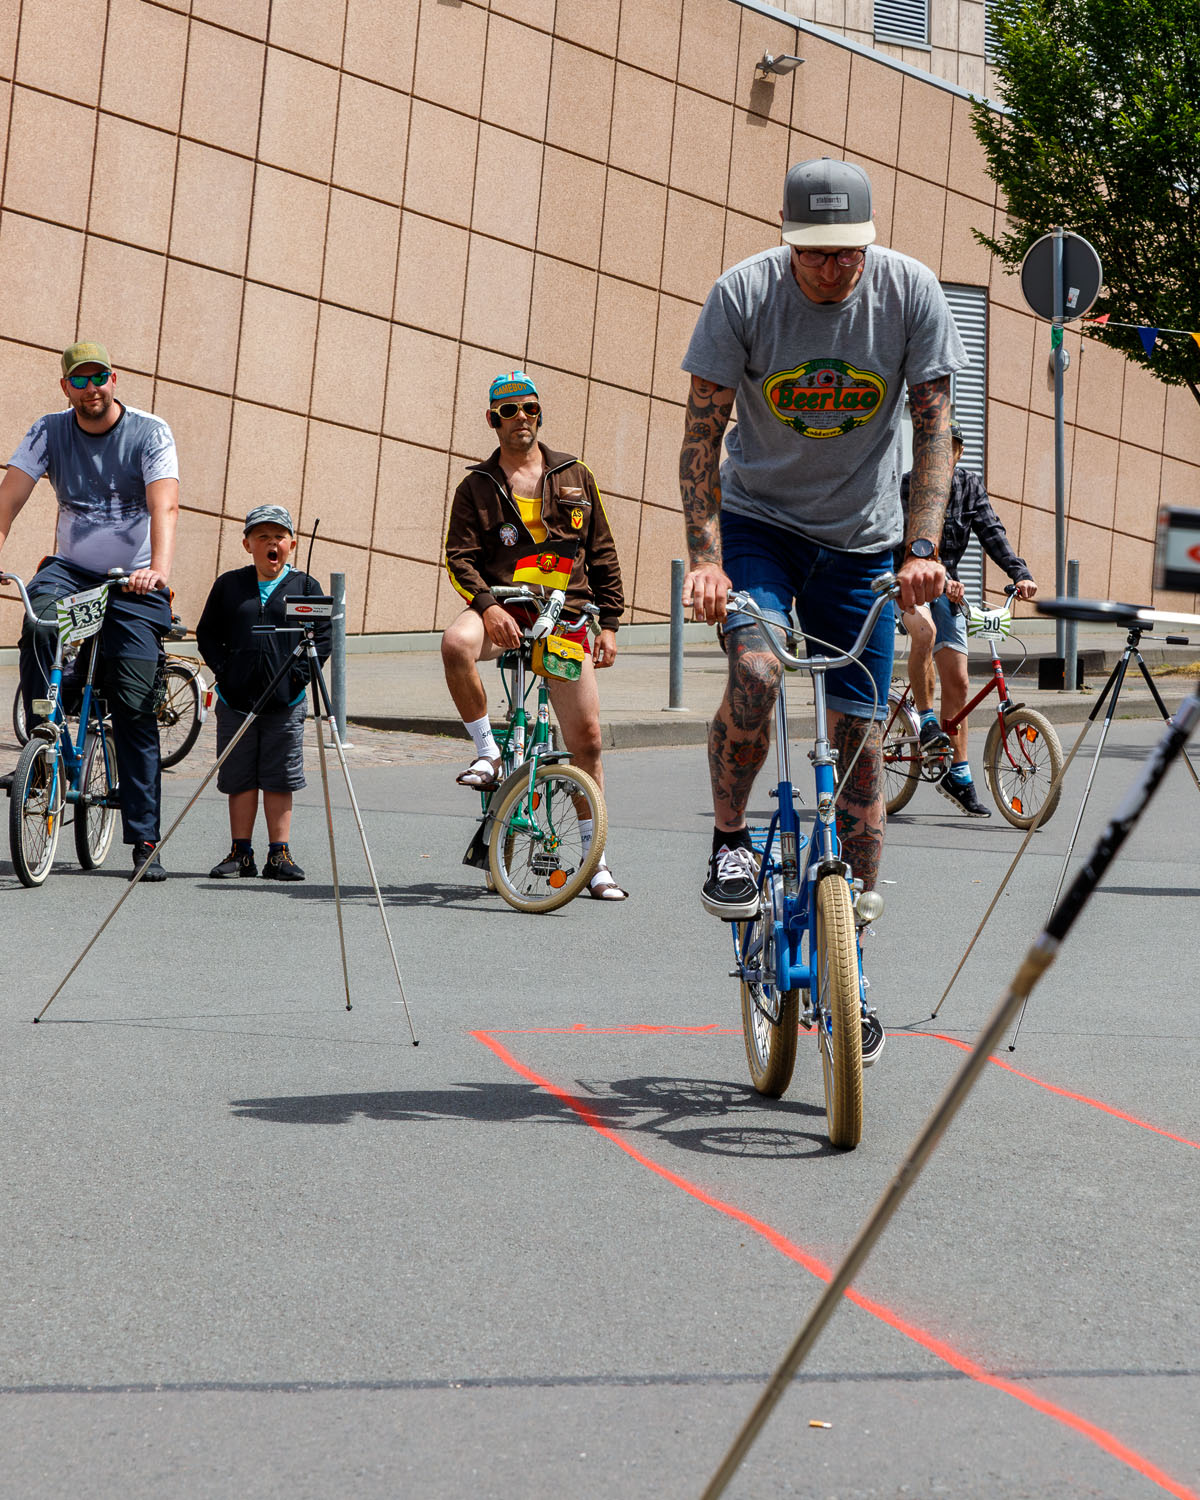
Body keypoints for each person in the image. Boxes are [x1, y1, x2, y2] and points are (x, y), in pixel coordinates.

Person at [679, 158, 968, 1057]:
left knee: (863, 756)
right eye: (817, 255)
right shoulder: (745, 295)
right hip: (760, 523)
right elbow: (701, 434)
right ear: (786, 236)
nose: (835, 270)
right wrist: (705, 559)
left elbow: (934, 431)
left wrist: (921, 551)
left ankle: (855, 960)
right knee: (758, 670)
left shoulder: (912, 293)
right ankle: (731, 839)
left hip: (864, 541)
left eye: (849, 254)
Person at [442, 371, 628, 900]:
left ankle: (596, 862)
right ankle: (488, 753)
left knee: (586, 741)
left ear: (539, 414)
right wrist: (489, 606)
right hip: (504, 611)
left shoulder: (574, 474)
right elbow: (459, 559)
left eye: (529, 408)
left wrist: (609, 623)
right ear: (492, 420)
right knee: (456, 643)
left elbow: (603, 553)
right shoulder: (477, 485)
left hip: (564, 617)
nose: (520, 418)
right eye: (508, 411)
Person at [0, 341, 179, 881]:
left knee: (132, 702)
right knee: (38, 617)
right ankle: (44, 730)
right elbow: (7, 499)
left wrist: (160, 571)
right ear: (66, 388)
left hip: (134, 579)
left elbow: (164, 504)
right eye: (79, 381)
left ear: (114, 378)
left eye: (98, 377)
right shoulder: (49, 430)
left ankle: (144, 837)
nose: (90, 388)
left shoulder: (150, 432)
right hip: (72, 569)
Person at [898, 420, 1037, 817]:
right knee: (923, 633)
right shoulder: (908, 486)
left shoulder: (969, 486)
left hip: (949, 589)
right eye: (936, 449)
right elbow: (901, 543)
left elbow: (991, 532)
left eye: (951, 449)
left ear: (959, 453)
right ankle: (925, 721)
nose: (944, 456)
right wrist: (937, 575)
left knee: (958, 683)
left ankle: (957, 774)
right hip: (908, 584)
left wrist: (1019, 573)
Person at [195, 505, 330, 882]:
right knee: (239, 778)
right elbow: (207, 634)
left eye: (279, 537)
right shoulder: (229, 585)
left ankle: (279, 855)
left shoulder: (306, 587)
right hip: (236, 701)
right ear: (247, 544)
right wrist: (225, 671)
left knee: (279, 777)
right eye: (262, 537)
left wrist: (297, 678)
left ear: (292, 544)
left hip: (284, 703)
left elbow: (322, 637)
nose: (272, 544)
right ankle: (241, 853)